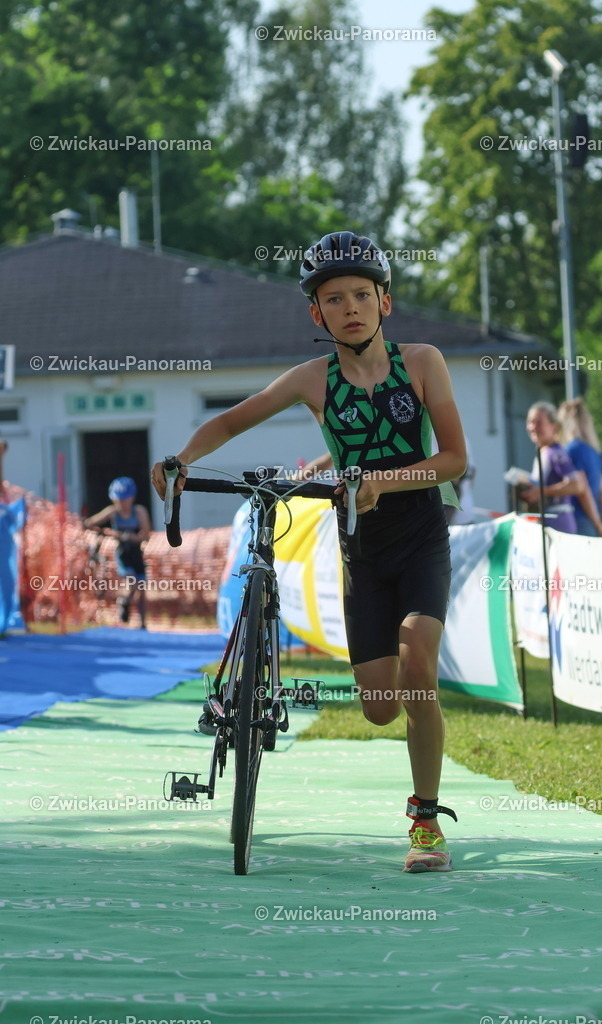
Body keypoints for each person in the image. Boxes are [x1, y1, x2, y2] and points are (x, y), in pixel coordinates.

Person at [152, 230, 467, 873]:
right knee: (380, 708)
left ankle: (426, 821)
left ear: (385, 300)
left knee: (418, 663)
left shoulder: (424, 361)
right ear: (316, 314)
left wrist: (383, 480)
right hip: (361, 547)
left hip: (421, 537)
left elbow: (455, 459)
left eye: (361, 294)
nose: (350, 307)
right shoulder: (312, 380)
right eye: (334, 299)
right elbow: (231, 420)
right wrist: (181, 460)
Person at [520, 402, 601, 535]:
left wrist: (541, 492)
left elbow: (577, 485)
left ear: (554, 426)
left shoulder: (556, 453)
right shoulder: (543, 451)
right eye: (530, 422)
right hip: (548, 521)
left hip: (558, 522)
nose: (533, 427)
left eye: (539, 422)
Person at [84, 477, 151, 627]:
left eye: (124, 500)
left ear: (132, 498)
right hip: (123, 554)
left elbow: (145, 536)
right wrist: (102, 531)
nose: (121, 504)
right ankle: (124, 601)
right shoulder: (112, 512)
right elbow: (89, 523)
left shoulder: (139, 511)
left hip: (136, 553)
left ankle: (143, 623)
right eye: (118, 500)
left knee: (141, 588)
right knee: (131, 580)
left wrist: (128, 536)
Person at [558, 399, 602, 537]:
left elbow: (582, 491)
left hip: (581, 519)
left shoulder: (571, 450)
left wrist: (597, 523)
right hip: (595, 519)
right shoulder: (594, 452)